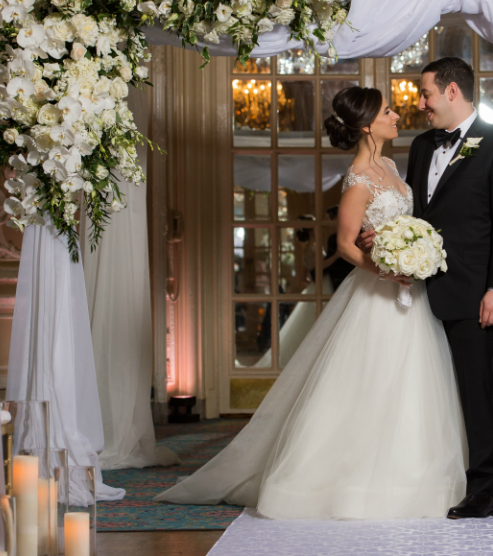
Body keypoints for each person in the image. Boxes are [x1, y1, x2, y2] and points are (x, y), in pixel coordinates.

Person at [154, 86, 467, 520]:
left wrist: (415, 248)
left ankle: (413, 477)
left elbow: (402, 222)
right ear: (365, 125)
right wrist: (387, 268)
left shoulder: (392, 165)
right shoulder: (357, 178)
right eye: (388, 111)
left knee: (412, 385)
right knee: (370, 383)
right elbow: (343, 245)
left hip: (410, 297)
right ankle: (347, 482)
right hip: (377, 296)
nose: (397, 115)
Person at [359, 56, 493, 519]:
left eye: (426, 93)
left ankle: (483, 492)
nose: (421, 103)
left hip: (479, 295)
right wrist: (387, 236)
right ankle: (438, 478)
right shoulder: (420, 146)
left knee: (479, 391)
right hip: (421, 292)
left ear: (452, 92)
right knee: (433, 393)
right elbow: (417, 214)